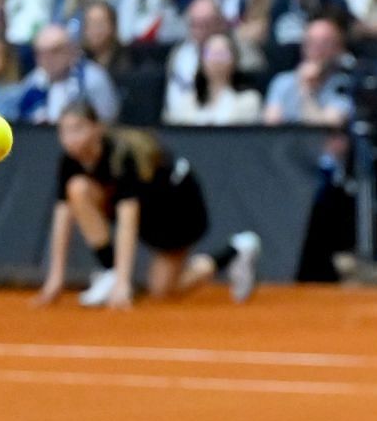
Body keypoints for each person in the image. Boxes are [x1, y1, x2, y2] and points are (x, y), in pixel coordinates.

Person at [36, 101, 259, 309]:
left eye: (78, 129)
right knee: (77, 189)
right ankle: (109, 270)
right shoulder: (69, 162)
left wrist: (123, 283)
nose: (69, 138)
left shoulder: (122, 156)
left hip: (178, 207)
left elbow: (128, 221)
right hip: (148, 206)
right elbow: (63, 216)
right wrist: (55, 278)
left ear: (97, 128)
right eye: (64, 131)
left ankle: (235, 251)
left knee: (163, 290)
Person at [21, 21, 122, 124]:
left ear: (71, 50)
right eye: (40, 53)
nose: (46, 59)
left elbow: (108, 122)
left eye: (55, 51)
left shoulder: (93, 78)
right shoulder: (33, 81)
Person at [264, 16, 357, 126]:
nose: (317, 49)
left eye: (324, 43)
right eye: (311, 42)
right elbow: (271, 126)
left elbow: (326, 130)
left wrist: (306, 91)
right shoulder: (282, 82)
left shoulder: (343, 86)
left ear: (338, 49)